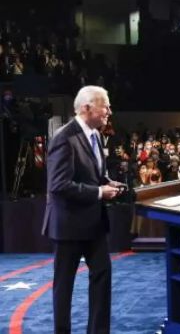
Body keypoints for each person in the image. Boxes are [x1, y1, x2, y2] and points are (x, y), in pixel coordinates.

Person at [43, 86, 125, 334]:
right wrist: (99, 193)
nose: (109, 111)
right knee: (64, 286)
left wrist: (106, 182)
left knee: (102, 276)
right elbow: (58, 185)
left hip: (93, 223)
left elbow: (94, 175)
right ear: (87, 107)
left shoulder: (97, 136)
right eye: (105, 106)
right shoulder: (63, 137)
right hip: (68, 224)